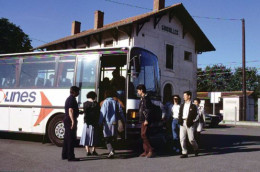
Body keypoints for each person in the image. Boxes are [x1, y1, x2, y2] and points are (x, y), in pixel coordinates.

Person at [99, 89, 125, 158]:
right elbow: (121, 111)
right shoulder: (116, 102)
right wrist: (124, 120)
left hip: (107, 123)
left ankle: (111, 151)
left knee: (107, 138)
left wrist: (100, 122)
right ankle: (112, 150)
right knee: (113, 137)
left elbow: (102, 113)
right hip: (115, 122)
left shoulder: (105, 102)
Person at [62, 86, 81, 161]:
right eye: (78, 92)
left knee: (67, 138)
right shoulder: (72, 99)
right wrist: (73, 121)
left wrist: (79, 112)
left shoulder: (69, 99)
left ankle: (65, 154)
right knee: (71, 139)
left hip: (67, 119)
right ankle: (71, 156)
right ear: (75, 92)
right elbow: (70, 110)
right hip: (70, 120)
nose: (78, 93)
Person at [178, 91, 199, 158]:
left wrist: (193, 120)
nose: (184, 97)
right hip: (182, 122)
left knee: (191, 139)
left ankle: (196, 148)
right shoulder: (182, 105)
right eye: (183, 95)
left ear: (189, 96)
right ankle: (184, 152)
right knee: (182, 138)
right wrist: (180, 120)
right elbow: (180, 113)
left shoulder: (193, 106)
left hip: (189, 123)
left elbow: (197, 114)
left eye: (185, 95)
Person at [137, 84, 155, 158]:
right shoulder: (142, 98)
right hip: (143, 119)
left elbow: (148, 110)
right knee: (144, 135)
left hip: (145, 120)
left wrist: (146, 119)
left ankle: (151, 150)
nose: (137, 92)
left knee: (144, 135)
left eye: (138, 90)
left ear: (141, 90)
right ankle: (146, 151)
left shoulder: (146, 99)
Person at [80, 91, 100, 156]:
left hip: (87, 123)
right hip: (94, 123)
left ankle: (87, 151)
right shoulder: (96, 104)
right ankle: (93, 150)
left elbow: (85, 112)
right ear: (94, 97)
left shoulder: (85, 104)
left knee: (86, 136)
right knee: (94, 136)